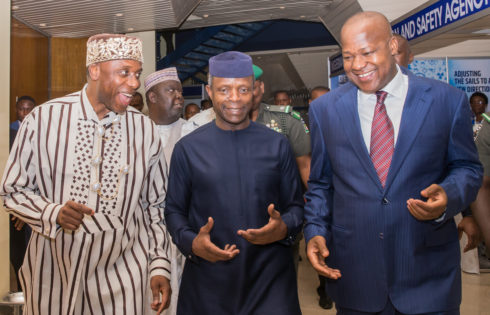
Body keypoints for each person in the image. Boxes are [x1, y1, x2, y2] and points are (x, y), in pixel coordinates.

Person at [305, 11, 482, 315]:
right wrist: (316, 230)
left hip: (428, 276)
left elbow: (468, 167)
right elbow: (321, 182)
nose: (357, 65)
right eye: (348, 56)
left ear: (391, 45)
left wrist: (448, 197)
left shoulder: (446, 100)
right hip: (355, 277)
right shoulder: (325, 110)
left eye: (367, 52)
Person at [1, 34, 171, 315]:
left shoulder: (145, 129)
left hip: (123, 273)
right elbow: (12, 190)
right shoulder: (43, 120)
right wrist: (53, 213)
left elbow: (156, 205)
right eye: (124, 72)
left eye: (137, 73)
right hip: (53, 272)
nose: (134, 83)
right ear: (94, 70)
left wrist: (159, 264)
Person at [165, 51, 303, 315]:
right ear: (209, 91)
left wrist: (283, 228)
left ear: (255, 90)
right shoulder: (188, 149)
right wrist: (191, 242)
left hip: (270, 281)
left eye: (242, 89)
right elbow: (174, 211)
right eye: (224, 90)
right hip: (208, 283)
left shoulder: (277, 145)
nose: (234, 99)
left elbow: (296, 207)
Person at [145, 67, 197, 314]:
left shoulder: (194, 133)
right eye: (171, 90)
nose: (179, 96)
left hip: (184, 230)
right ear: (152, 97)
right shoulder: (134, 132)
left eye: (180, 90)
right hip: (143, 234)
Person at [251, 66, 311, 187]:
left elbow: (305, 165)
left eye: (250, 88)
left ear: (261, 87)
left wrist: (316, 202)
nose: (244, 95)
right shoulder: (219, 125)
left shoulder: (287, 119)